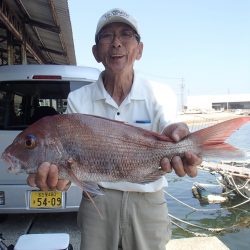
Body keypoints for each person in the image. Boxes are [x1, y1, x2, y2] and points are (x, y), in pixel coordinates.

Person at [27, 8, 202, 250]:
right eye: (106, 36)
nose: (116, 43)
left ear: (139, 50)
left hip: (147, 200)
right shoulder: (78, 98)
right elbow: (69, 160)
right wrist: (62, 181)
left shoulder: (159, 93)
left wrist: (180, 138)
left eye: (126, 35)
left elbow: (169, 127)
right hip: (98, 202)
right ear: (96, 52)